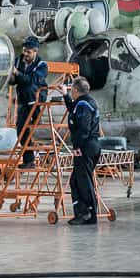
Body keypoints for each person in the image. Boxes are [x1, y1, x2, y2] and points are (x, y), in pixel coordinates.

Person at [60, 76, 101, 226]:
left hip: (85, 146)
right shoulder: (84, 102)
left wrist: (77, 147)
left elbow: (84, 128)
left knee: (83, 181)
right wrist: (65, 95)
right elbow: (73, 109)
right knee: (76, 180)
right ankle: (83, 213)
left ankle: (88, 214)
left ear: (76, 90)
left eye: (71, 89)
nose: (70, 91)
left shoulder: (84, 105)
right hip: (89, 145)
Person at [9, 36, 48, 169]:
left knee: (29, 86)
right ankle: (29, 160)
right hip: (24, 100)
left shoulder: (42, 66)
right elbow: (14, 80)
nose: (25, 54)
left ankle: (37, 115)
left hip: (37, 97)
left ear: (35, 51)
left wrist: (17, 74)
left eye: (28, 52)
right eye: (24, 50)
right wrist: (11, 77)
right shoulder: (18, 61)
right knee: (21, 129)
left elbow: (31, 80)